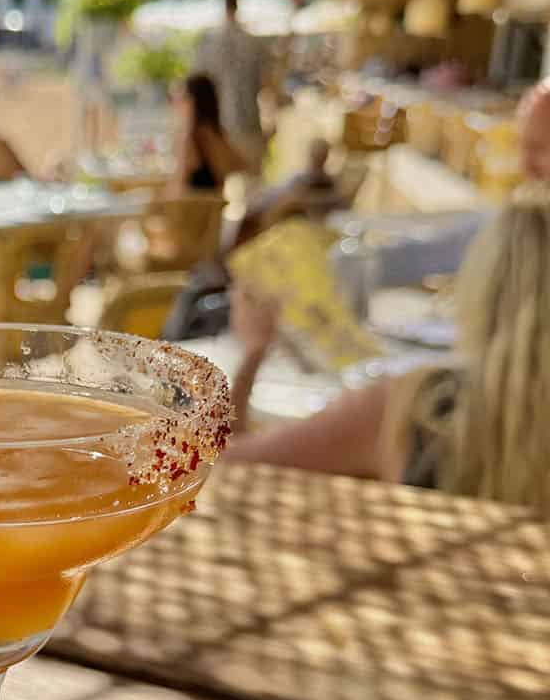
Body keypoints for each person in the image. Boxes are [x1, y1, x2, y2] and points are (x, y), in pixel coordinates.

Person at [221, 79, 550, 514]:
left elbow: (227, 470)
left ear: (484, 284)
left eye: (541, 147)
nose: (527, 166)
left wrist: (251, 355)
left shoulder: (413, 412)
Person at [194, 0, 269, 171]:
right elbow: (267, 84)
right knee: (252, 182)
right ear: (237, 6)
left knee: (218, 187)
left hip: (216, 125)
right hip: (248, 120)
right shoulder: (254, 43)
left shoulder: (207, 42)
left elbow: (197, 87)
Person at [235, 137, 340, 244]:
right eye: (317, 152)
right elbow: (284, 195)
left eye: (322, 153)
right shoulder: (299, 177)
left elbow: (334, 200)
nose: (319, 157)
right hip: (269, 204)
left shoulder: (327, 181)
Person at [173, 73, 246, 193]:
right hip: (214, 205)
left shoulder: (192, 136)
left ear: (193, 100)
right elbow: (240, 164)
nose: (178, 102)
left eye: (183, 96)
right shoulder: (216, 132)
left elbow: (180, 180)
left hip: (191, 207)